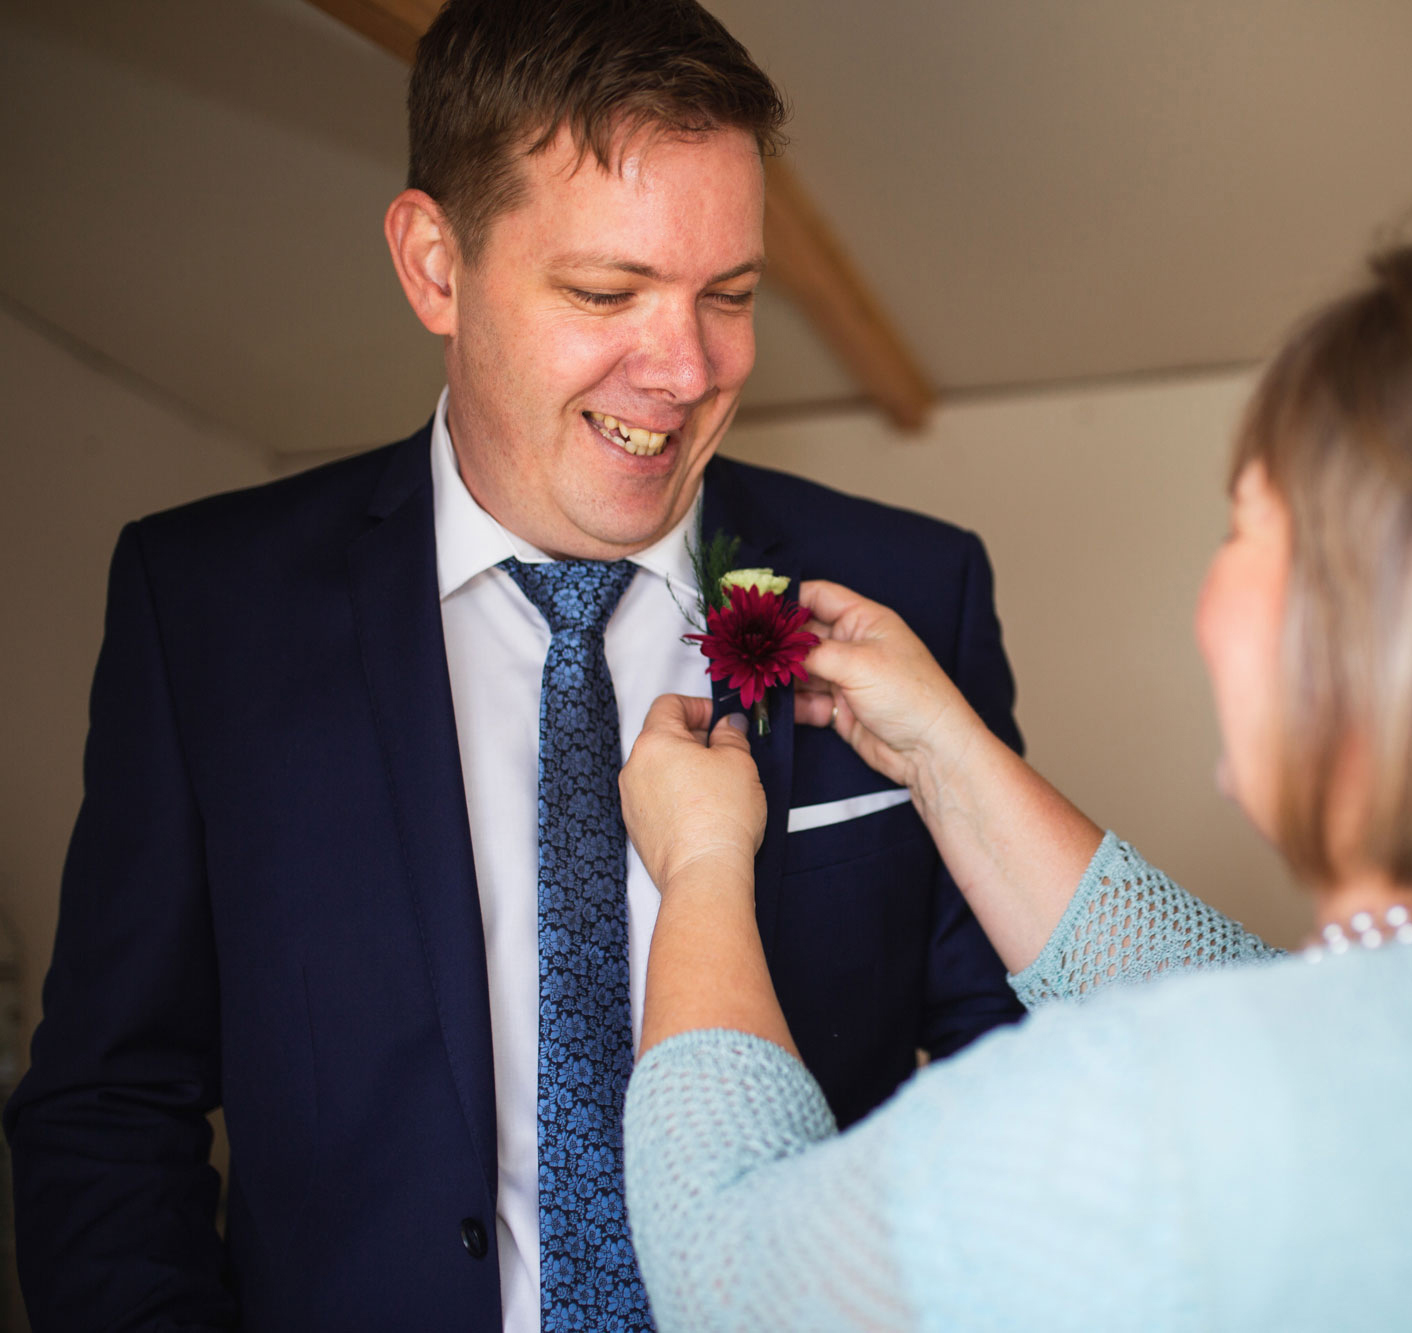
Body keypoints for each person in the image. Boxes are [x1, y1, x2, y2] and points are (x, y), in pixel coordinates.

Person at [616, 200, 1412, 1330]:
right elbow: (1298, 1018)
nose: (1211, 585)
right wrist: (943, 751)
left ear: (1379, 632)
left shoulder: (1145, 1124)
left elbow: (726, 1276)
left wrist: (707, 865)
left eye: (1246, 525)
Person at [3, 2, 1024, 1329]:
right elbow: (110, 1107)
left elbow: (1023, 1065)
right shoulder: (205, 609)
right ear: (435, 265)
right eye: (607, 293)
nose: (685, 368)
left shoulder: (908, 590)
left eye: (732, 295)